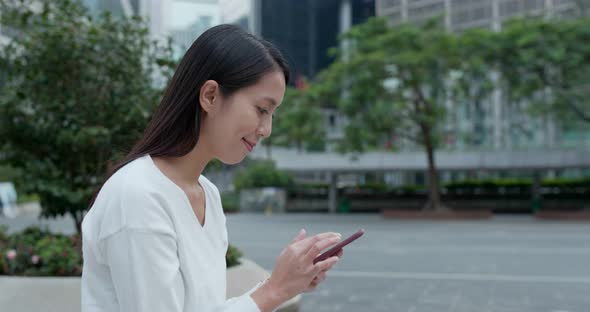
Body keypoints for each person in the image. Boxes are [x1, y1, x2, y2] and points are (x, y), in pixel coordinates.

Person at [81, 24, 343, 312]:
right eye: (261, 109)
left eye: (272, 114)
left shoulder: (208, 194)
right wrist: (274, 289)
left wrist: (284, 285)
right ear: (210, 96)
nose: (266, 129)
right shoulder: (138, 196)